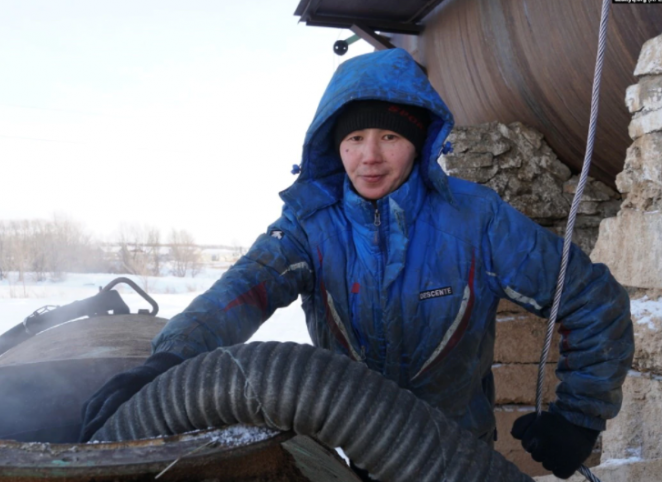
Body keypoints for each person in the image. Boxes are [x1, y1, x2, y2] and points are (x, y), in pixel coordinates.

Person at [80, 48, 634, 479]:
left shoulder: (476, 221)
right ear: (333, 145)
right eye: (355, 139)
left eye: (389, 136)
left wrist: (578, 418)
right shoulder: (309, 226)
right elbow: (241, 292)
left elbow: (592, 301)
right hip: (346, 458)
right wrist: (169, 359)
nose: (369, 156)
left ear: (418, 142)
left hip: (455, 461)